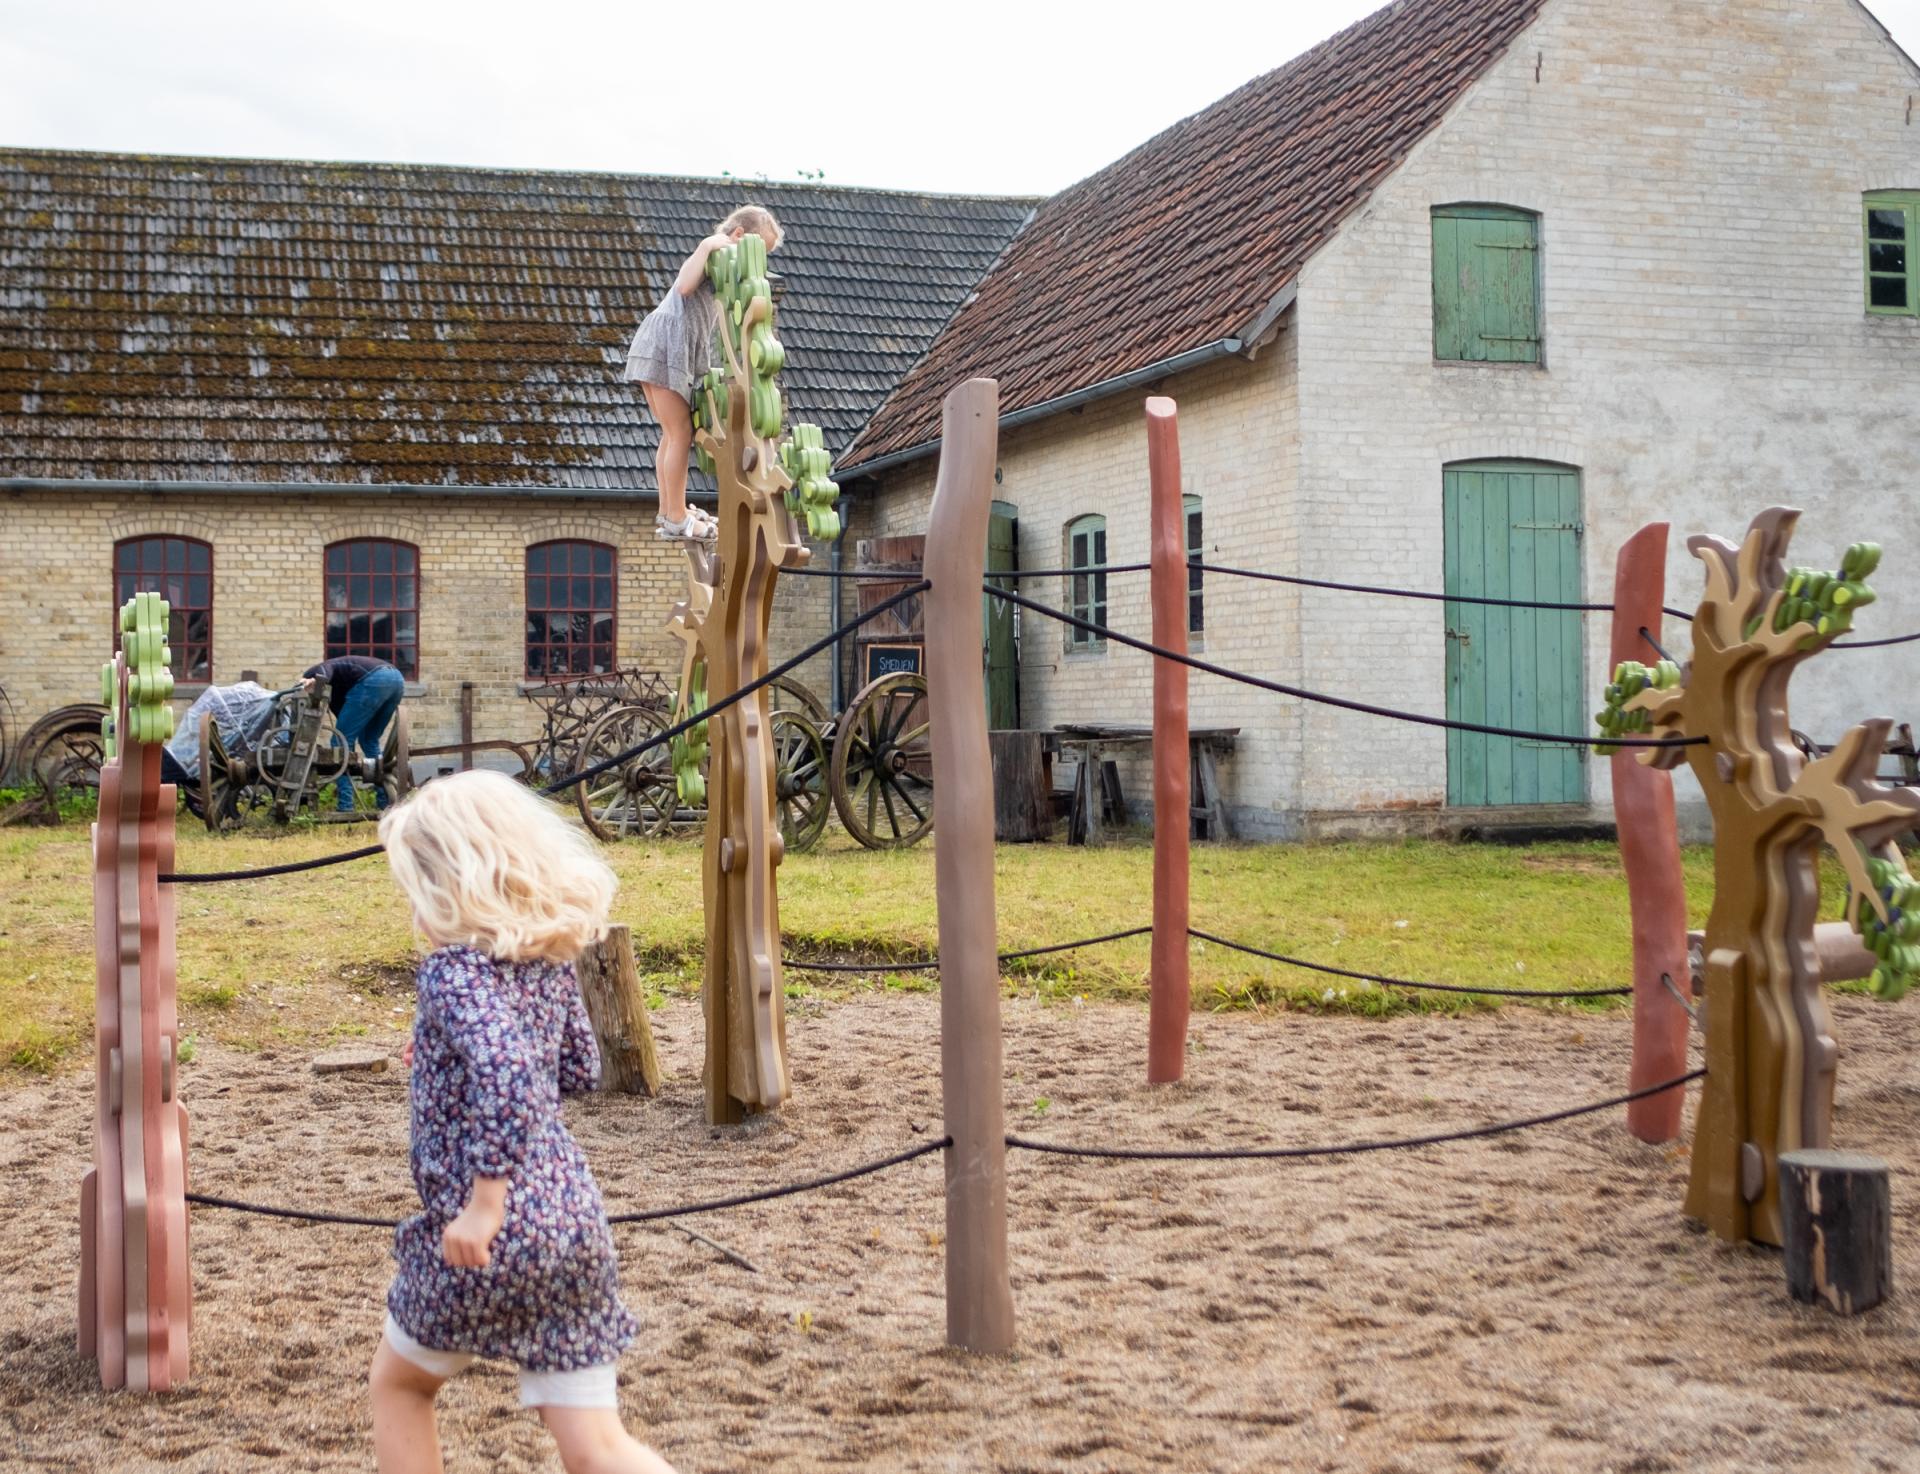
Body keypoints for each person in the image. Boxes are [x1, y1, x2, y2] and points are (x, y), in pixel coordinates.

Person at [370, 771, 676, 1474]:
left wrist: (484, 1206)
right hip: (571, 1228)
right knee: (597, 1447)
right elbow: (571, 1067)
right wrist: (447, 1054)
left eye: (418, 889)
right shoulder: (550, 964)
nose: (414, 911)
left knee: (400, 1385)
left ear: (451, 886)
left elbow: (508, 1076)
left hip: (495, 1239)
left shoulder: (453, 973)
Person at [623, 204, 784, 544]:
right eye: (758, 250)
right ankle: (678, 516)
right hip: (666, 345)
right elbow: (683, 286)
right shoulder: (712, 250)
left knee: (672, 433)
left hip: (661, 344)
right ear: (738, 235)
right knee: (680, 431)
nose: (760, 261)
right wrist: (708, 244)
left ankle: (670, 512)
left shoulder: (723, 268)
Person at [302, 654, 405, 811]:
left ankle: (346, 805)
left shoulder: (322, 668)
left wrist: (315, 679)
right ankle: (385, 802)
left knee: (339, 741)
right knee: (369, 739)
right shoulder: (339, 689)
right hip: (396, 680)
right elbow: (346, 719)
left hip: (375, 680)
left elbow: (326, 668)